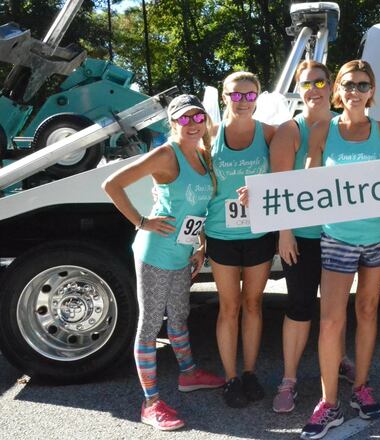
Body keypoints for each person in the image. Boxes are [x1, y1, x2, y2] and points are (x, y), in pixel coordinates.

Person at [102, 94, 225, 430]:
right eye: (184, 119)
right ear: (173, 123)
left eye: (198, 117)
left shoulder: (203, 155)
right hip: (156, 251)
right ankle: (150, 403)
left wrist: (200, 243)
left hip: (183, 253)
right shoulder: (165, 154)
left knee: (180, 316)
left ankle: (188, 374)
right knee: (150, 324)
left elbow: (196, 208)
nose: (193, 124)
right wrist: (142, 221)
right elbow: (111, 184)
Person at [300, 60, 380, 440]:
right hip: (339, 236)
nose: (355, 91)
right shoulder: (324, 129)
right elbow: (307, 179)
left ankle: (361, 385)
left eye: (362, 84)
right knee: (330, 320)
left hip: (379, 235)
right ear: (337, 89)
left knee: (368, 309)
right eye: (348, 84)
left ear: (372, 90)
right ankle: (329, 403)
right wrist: (265, 198)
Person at [266, 60, 356, 414]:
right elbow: (279, 188)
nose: (314, 89)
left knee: (337, 308)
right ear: (299, 89)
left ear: (330, 84)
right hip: (302, 237)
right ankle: (288, 380)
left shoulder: (346, 123)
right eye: (307, 84)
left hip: (341, 234)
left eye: (320, 82)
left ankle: (341, 359)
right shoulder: (291, 130)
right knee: (300, 305)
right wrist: (284, 234)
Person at [204, 72, 277, 408]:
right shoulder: (209, 137)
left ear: (258, 97)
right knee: (229, 307)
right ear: (224, 98)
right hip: (221, 235)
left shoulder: (270, 134)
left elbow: (287, 176)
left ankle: (249, 372)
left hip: (259, 234)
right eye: (236, 95)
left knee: (253, 304)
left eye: (250, 95)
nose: (243, 101)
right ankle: (230, 377)